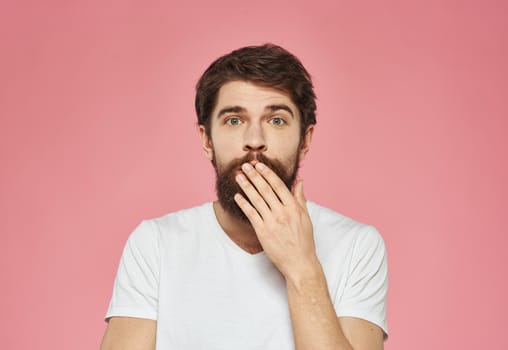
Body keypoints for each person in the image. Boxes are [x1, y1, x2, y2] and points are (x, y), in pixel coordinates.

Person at [100, 44, 388, 350]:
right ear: (207, 140)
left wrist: (302, 267)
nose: (254, 141)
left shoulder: (358, 246)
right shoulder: (154, 244)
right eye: (234, 120)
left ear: (305, 140)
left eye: (276, 120)